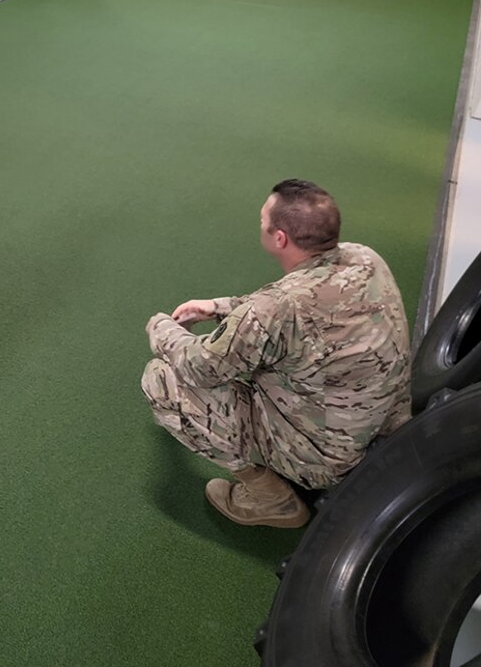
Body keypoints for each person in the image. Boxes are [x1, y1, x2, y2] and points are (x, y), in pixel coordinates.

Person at [141, 179, 411, 528]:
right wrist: (217, 307)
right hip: (388, 434)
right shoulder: (364, 257)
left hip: (325, 462)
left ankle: (271, 498)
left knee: (162, 378)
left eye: (263, 221)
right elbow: (283, 307)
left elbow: (200, 367)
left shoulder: (277, 309)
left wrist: (160, 328)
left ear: (279, 238)